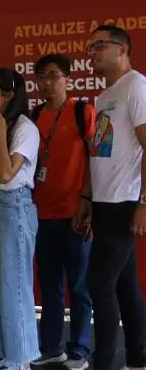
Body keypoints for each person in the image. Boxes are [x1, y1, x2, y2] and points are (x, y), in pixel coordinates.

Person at [86, 25, 146, 370]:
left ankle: (104, 363)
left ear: (122, 50)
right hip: (104, 203)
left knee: (99, 283)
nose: (91, 51)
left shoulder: (135, 86)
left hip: (125, 203)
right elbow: (102, 154)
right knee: (125, 288)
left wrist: (144, 203)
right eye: (90, 45)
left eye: (99, 45)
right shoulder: (106, 95)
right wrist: (88, 199)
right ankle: (137, 361)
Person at [30, 54, 94, 370]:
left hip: (75, 213)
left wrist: (89, 200)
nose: (46, 82)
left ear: (67, 78)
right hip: (41, 215)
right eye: (41, 76)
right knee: (50, 287)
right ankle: (51, 347)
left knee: (80, 286)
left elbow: (98, 159)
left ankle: (80, 348)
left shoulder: (83, 112)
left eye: (53, 75)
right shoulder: (33, 116)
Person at [0, 68, 40, 370]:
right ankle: (3, 354)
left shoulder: (24, 129)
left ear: (8, 95)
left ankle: (20, 361)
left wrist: (2, 133)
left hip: (16, 209)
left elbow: (6, 175)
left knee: (14, 288)